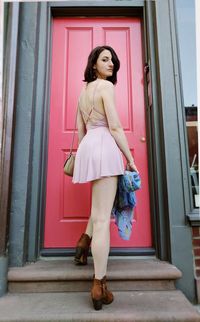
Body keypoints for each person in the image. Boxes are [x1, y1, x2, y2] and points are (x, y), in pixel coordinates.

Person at [72, 45, 138, 310]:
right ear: (94, 63)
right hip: (105, 146)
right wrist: (130, 160)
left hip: (88, 146)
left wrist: (87, 152)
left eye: (113, 60)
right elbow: (115, 126)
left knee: (99, 207)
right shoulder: (106, 88)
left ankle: (83, 243)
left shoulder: (83, 91)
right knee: (102, 219)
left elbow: (79, 129)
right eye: (105, 59)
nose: (111, 64)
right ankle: (99, 285)